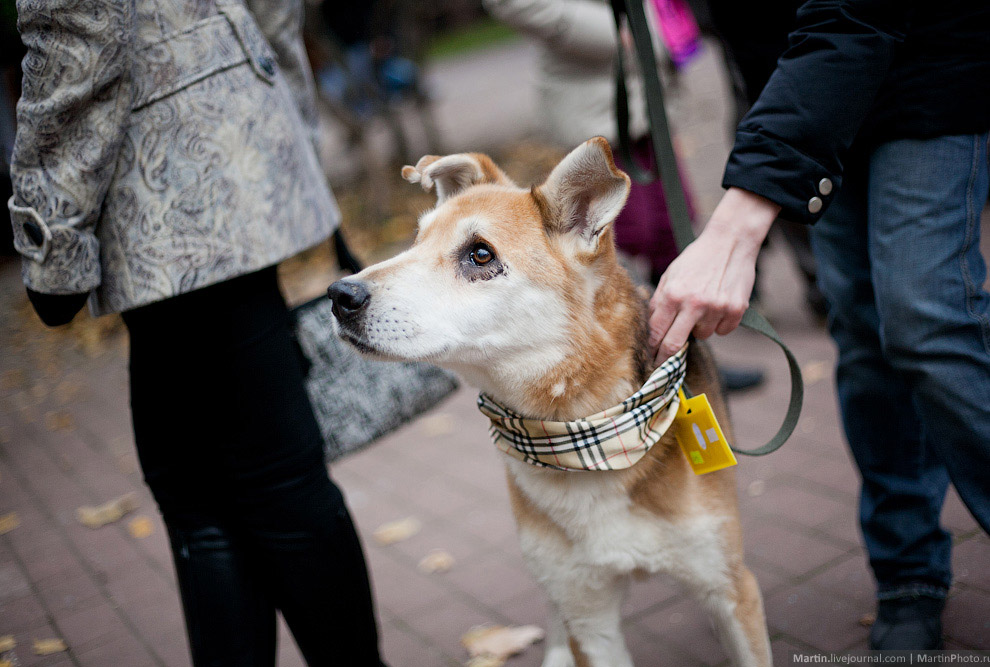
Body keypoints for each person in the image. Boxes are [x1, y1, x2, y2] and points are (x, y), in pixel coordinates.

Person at [8, 0, 387, 664]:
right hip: (224, 158)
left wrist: (50, 227)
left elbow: (80, 29)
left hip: (162, 186)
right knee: (247, 492)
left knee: (234, 500)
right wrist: (283, 133)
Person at [647, 0, 990, 650]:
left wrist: (735, 226)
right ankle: (907, 569)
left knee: (926, 318)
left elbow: (857, 13)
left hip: (929, 65)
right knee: (862, 331)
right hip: (807, 87)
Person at [483, 0, 764, 391]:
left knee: (672, 227)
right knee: (622, 237)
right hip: (593, 93)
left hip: (647, 92)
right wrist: (620, 34)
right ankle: (625, 362)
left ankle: (687, 357)